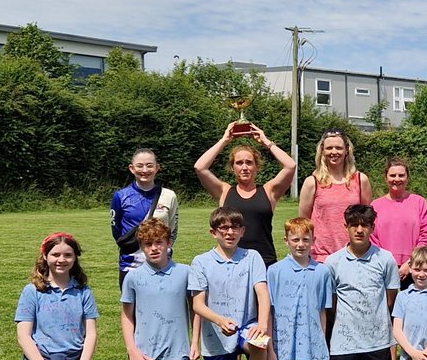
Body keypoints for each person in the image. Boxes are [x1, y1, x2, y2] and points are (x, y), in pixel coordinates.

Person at [189, 207, 272, 360]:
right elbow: (198, 305)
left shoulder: (252, 257)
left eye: (235, 227)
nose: (229, 232)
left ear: (242, 231)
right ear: (213, 233)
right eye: (223, 228)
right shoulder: (200, 262)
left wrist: (262, 324)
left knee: (259, 342)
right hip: (216, 334)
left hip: (246, 326)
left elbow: (262, 294)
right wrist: (219, 321)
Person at [15, 233, 104, 360]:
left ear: (75, 258)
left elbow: (91, 333)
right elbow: (23, 335)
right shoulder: (32, 291)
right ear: (45, 257)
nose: (61, 260)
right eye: (56, 255)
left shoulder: (83, 291)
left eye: (68, 255)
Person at [120, 218, 200, 360]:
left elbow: (195, 309)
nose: (154, 248)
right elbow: (126, 316)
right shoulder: (133, 277)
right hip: (145, 354)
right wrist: (132, 350)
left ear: (168, 243)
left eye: (159, 243)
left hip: (178, 352)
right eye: (148, 244)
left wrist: (195, 343)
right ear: (141, 247)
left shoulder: (185, 272)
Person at [324, 204, 399, 360]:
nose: (359, 230)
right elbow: (331, 305)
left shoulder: (385, 259)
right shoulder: (333, 262)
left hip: (376, 340)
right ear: (346, 227)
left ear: (372, 228)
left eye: (364, 225)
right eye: (354, 225)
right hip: (344, 342)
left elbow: (390, 298)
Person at [195, 123, 297, 268]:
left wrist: (266, 141)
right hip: (231, 261)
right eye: (239, 163)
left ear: (256, 166)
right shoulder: (224, 191)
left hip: (264, 261)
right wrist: (224, 140)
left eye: (249, 163)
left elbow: (290, 165)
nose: (244, 167)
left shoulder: (269, 191)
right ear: (233, 167)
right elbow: (200, 167)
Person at [265, 217, 333, 360]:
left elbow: (322, 311)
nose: (300, 244)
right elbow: (269, 312)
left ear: (313, 240)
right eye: (295, 240)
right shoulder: (274, 271)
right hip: (282, 348)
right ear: (286, 241)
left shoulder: (322, 272)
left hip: (310, 348)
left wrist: (321, 346)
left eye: (305, 239)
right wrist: (270, 349)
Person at [299, 130, 372, 263]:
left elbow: (367, 219)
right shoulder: (312, 182)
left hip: (354, 255)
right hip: (320, 257)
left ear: (347, 150)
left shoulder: (361, 180)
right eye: (329, 148)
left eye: (338, 148)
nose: (334, 152)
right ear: (322, 151)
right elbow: (303, 223)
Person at [110, 148, 179, 287]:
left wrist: (163, 250)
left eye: (149, 165)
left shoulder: (169, 195)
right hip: (130, 263)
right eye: (140, 166)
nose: (145, 170)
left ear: (157, 168)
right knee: (131, 306)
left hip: (161, 261)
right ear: (131, 168)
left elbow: (172, 228)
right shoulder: (120, 196)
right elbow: (116, 230)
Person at [371, 157, 427, 288]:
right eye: (392, 175)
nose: (397, 179)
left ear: (407, 177)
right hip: (383, 268)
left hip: (415, 268)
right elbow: (372, 239)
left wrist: (411, 263)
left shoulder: (418, 202)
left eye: (401, 175)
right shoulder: (375, 206)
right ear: (385, 177)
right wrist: (388, 265)